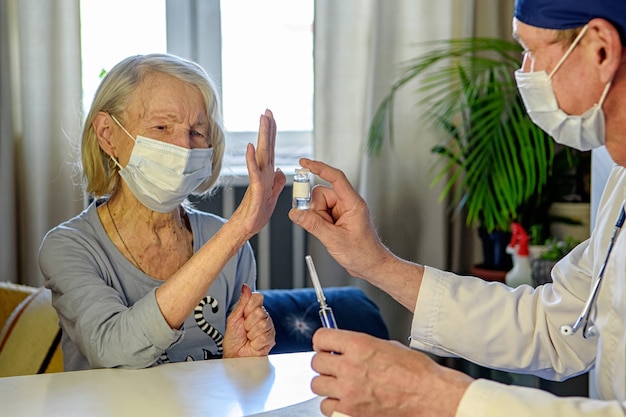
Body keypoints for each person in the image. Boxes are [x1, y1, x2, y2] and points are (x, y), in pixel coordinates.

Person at [288, 0, 626, 416]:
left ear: (601, 49)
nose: (524, 71)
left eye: (532, 50)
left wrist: (433, 395)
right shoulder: (621, 184)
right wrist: (375, 263)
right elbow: (554, 326)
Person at [39, 53, 286, 371]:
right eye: (161, 126)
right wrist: (237, 230)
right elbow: (114, 352)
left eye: (197, 132)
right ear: (108, 135)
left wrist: (237, 359)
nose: (184, 147)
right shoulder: (69, 246)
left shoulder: (229, 244)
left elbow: (232, 381)